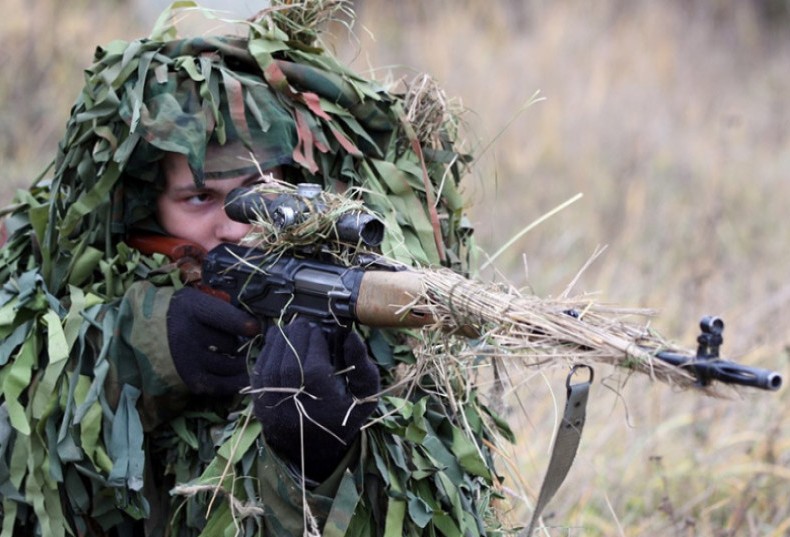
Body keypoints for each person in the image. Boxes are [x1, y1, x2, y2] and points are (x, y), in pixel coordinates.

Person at [0, 3, 508, 536]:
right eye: (199, 198)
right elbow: (30, 455)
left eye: (258, 195)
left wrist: (318, 458)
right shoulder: (69, 303)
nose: (237, 226)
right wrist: (144, 351)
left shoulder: (379, 326)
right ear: (145, 211)